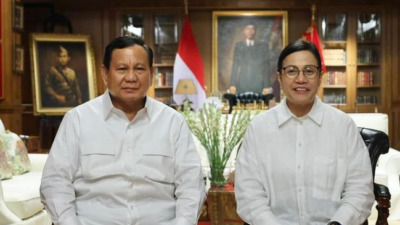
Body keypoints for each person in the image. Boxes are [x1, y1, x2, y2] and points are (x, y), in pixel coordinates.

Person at [40, 36, 206, 225]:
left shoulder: (172, 122)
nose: (131, 77)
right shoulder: (77, 120)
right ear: (105, 73)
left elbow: (192, 184)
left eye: (140, 69)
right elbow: (55, 182)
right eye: (121, 69)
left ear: (151, 73)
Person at [235, 40, 374, 225]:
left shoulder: (342, 126)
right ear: (280, 77)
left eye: (309, 71)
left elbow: (360, 190)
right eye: (292, 71)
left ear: (320, 76)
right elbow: (249, 194)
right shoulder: (259, 128)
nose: (301, 79)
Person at [229, 23, 270, 94]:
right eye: (247, 29)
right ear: (244, 31)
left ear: (255, 31)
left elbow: (266, 66)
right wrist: (232, 84)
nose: (250, 31)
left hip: (258, 83)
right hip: (242, 83)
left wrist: (266, 86)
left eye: (252, 29)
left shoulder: (262, 46)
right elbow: (235, 65)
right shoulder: (239, 46)